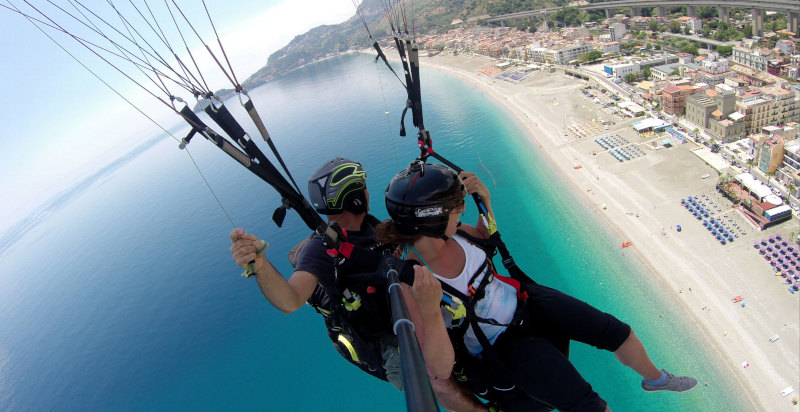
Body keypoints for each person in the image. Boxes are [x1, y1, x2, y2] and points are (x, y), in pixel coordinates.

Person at [376, 161, 698, 412]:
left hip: (526, 300)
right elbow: (440, 367)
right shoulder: (415, 281)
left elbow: (487, 238)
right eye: (455, 207)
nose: (461, 209)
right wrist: (431, 311)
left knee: (615, 331)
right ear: (430, 220)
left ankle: (656, 379)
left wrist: (485, 202)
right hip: (505, 344)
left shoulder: (456, 232)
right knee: (587, 405)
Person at [229, 158, 484, 411]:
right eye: (363, 187)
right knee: (438, 381)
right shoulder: (320, 248)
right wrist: (260, 266)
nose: (367, 192)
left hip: (402, 309)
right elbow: (290, 300)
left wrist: (449, 200)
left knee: (463, 349)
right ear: (354, 198)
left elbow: (417, 233)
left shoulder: (372, 226)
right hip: (378, 338)